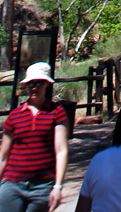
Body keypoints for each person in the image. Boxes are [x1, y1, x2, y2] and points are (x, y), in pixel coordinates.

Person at [0, 61, 69, 212]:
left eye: (38, 83)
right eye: (31, 84)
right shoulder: (15, 115)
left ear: (46, 84)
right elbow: (3, 155)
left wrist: (57, 186)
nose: (34, 87)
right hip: (12, 183)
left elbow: (61, 150)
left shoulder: (56, 112)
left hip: (42, 186)